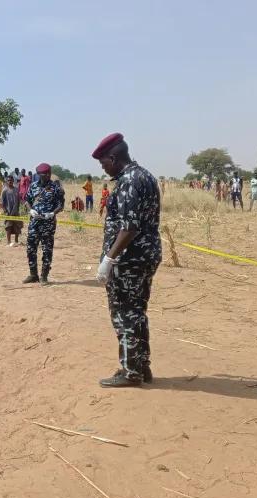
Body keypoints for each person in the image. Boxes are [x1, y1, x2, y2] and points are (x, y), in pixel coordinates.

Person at [92, 133, 161, 388]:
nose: (103, 168)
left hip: (129, 259)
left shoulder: (130, 181)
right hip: (145, 255)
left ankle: (131, 371)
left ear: (113, 157)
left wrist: (109, 258)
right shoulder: (145, 175)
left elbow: (129, 227)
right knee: (138, 311)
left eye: (104, 163)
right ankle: (142, 365)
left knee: (124, 313)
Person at [23, 163, 64, 284]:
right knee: (31, 248)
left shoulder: (55, 188)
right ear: (39, 175)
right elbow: (27, 201)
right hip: (34, 223)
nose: (47, 176)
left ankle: (44, 276)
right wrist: (30, 210)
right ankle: (33, 274)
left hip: (48, 224)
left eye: (48, 174)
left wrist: (52, 213)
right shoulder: (33, 186)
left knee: (47, 249)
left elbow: (60, 205)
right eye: (44, 174)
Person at [1, 176, 23, 246]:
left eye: (11, 180)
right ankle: (8, 241)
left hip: (16, 211)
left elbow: (18, 200)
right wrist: (5, 211)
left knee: (17, 226)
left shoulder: (16, 190)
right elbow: (1, 203)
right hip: (8, 212)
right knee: (8, 227)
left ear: (13, 181)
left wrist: (18, 209)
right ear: (6, 181)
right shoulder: (4, 190)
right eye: (8, 180)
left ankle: (16, 241)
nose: (10, 181)